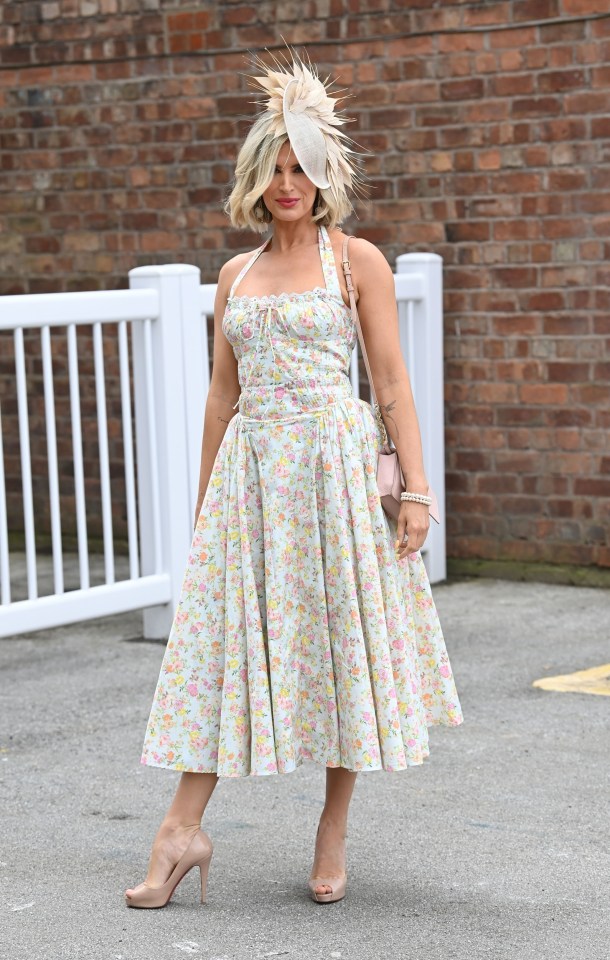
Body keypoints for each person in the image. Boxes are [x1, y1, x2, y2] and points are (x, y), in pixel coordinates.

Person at [125, 52, 463, 909]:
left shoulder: (357, 262)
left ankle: (333, 826)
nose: (289, 184)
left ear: (324, 177)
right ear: (255, 177)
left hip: (337, 479)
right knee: (221, 648)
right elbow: (218, 399)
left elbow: (391, 386)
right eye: (275, 168)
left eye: (302, 168)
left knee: (342, 648)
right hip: (251, 483)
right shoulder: (235, 277)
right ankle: (179, 831)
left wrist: (415, 491)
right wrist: (206, 504)